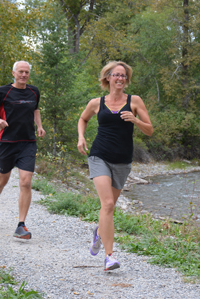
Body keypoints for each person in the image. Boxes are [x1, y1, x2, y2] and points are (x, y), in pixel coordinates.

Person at [77, 61, 153, 270]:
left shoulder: (135, 101)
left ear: (126, 80)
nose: (120, 78)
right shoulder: (96, 103)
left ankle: (100, 232)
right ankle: (109, 257)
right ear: (107, 78)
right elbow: (83, 119)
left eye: (123, 76)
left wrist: (135, 121)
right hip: (99, 156)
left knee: (108, 209)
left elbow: (149, 130)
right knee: (108, 204)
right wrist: (81, 137)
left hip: (123, 161)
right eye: (116, 75)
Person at [0, 61, 46, 239]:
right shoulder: (3, 91)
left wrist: (39, 126)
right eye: (21, 72)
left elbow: (36, 109)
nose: (24, 75)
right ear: (14, 73)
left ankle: (21, 225)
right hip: (8, 142)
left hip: (28, 143)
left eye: (27, 72)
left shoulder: (34, 91)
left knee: (25, 182)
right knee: (2, 180)